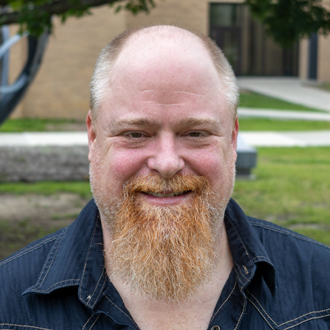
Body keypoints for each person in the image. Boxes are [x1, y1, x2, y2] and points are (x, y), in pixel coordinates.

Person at [0, 25, 330, 330]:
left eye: (196, 132)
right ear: (93, 137)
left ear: (231, 139)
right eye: (135, 134)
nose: (168, 162)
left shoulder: (322, 288)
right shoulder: (8, 304)